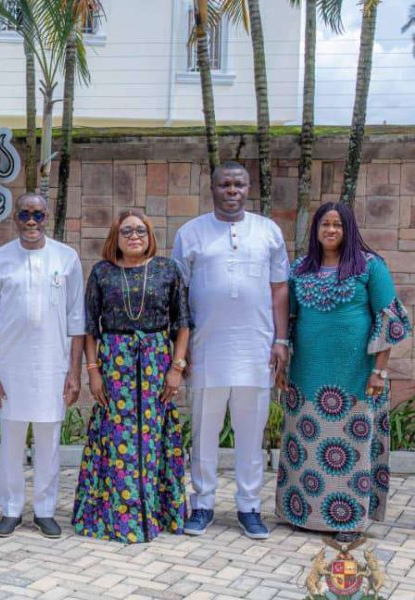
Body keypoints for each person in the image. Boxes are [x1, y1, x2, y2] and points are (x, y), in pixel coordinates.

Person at [275, 202, 410, 540]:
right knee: (305, 444)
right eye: (325, 224)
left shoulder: (369, 266)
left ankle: (348, 520)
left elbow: (388, 319)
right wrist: (283, 363)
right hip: (307, 374)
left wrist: (379, 371)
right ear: (316, 229)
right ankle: (304, 514)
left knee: (351, 447)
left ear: (349, 229)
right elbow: (289, 319)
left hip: (356, 377)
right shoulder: (300, 268)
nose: (331, 230)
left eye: (338, 224)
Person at [171, 161, 290, 540]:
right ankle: (202, 503)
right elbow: (178, 295)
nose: (232, 191)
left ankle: (249, 506)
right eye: (225, 184)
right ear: (213, 188)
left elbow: (279, 288)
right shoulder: (191, 233)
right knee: (204, 430)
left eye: (239, 184)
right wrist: (182, 350)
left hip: (256, 348)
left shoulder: (268, 231)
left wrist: (281, 340)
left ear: (249, 188)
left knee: (250, 433)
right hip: (206, 349)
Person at [73, 210, 189, 544]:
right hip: (115, 364)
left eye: (140, 230)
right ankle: (119, 518)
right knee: (116, 436)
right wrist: (93, 372)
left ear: (150, 235)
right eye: (126, 231)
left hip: (155, 362)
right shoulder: (102, 272)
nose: (134, 236)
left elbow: (182, 323)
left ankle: (155, 514)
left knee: (152, 437)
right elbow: (90, 327)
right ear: (116, 237)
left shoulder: (167, 269)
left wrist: (176, 368)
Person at [0, 193, 85, 539]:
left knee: (48, 441)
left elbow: (76, 320)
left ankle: (45, 510)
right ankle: (10, 509)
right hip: (10, 368)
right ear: (15, 219)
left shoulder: (66, 258)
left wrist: (74, 372)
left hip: (53, 366)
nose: (31, 221)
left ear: (47, 217)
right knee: (11, 440)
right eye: (24, 214)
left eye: (38, 214)